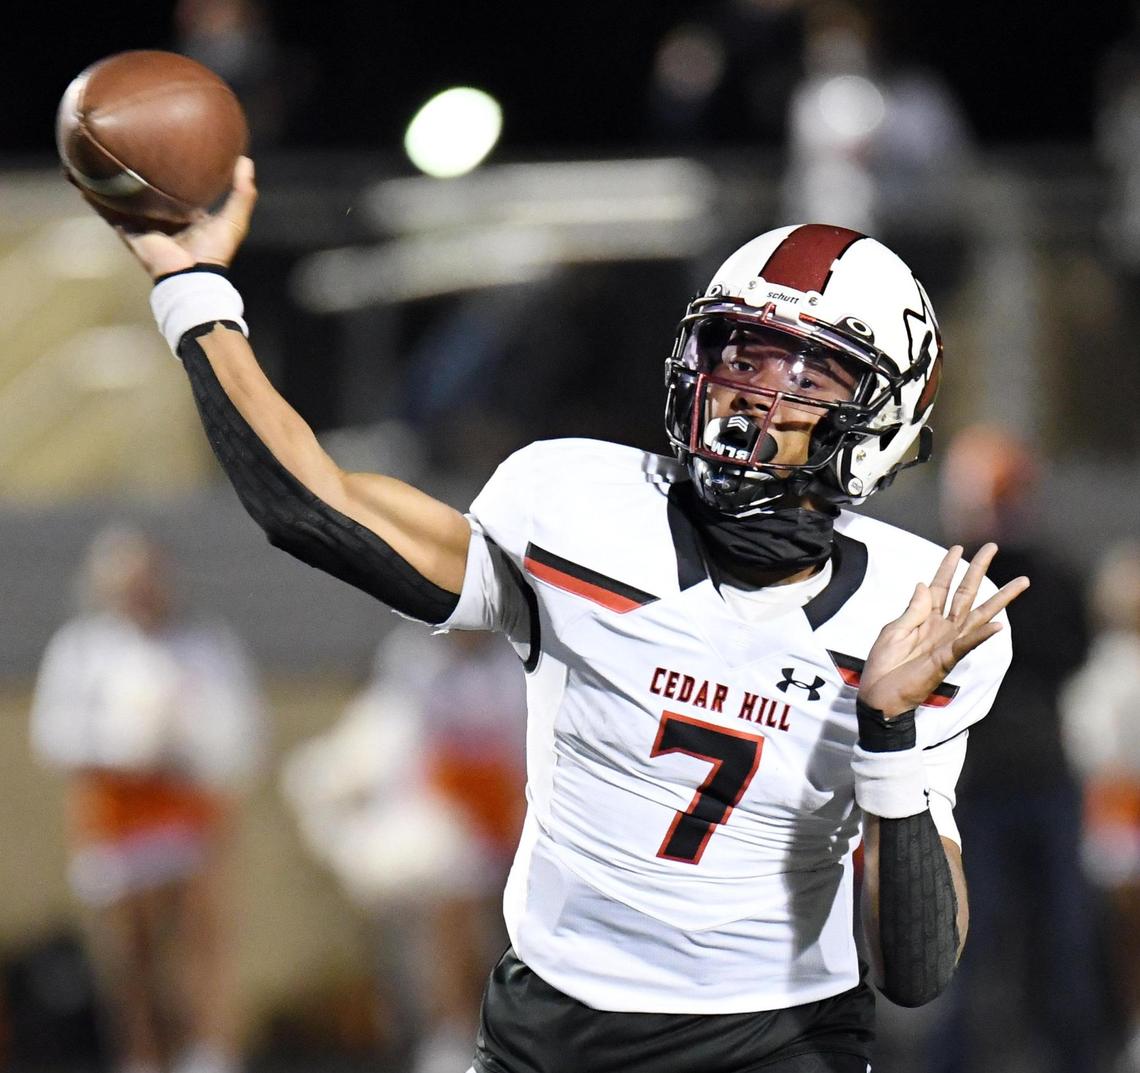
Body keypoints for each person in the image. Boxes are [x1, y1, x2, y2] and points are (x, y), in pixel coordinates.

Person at [97, 162, 1028, 1073]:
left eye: (808, 373)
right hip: (554, 1022)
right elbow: (317, 506)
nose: (756, 393)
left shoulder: (917, 614)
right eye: (741, 353)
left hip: (774, 1038)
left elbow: (914, 971)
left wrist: (888, 727)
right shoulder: (577, 506)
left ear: (884, 423)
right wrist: (192, 286)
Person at [29, 525, 265, 1073]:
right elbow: (53, 734)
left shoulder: (205, 645)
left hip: (188, 816)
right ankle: (142, 1056)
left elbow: (240, 734)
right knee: (130, 957)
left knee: (198, 945)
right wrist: (124, 744)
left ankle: (207, 1052)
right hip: (117, 819)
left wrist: (186, 742)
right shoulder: (81, 650)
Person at [926, 425, 1100, 1073]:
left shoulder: (1046, 575)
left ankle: (1073, 1053)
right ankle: (957, 1058)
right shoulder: (956, 574)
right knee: (972, 937)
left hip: (1038, 777)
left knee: (1061, 938)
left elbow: (1065, 655)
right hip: (981, 784)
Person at [281, 624, 526, 1073]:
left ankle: (495, 1033)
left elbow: (527, 749)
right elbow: (392, 742)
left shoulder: (520, 658)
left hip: (515, 824)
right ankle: (450, 1032)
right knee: (445, 904)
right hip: (440, 823)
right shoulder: (412, 659)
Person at [1060, 542, 1140, 1073]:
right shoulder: (1104, 670)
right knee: (1121, 942)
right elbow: (1093, 754)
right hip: (1119, 818)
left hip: (1116, 818)